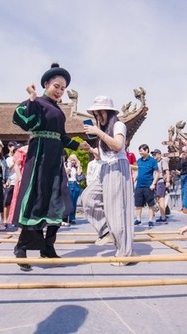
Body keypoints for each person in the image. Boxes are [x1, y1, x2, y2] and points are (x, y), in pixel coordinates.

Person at [11, 63, 88, 271]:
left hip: (55, 158)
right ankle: (21, 248)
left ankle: (48, 246)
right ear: (46, 84)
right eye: (57, 85)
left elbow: (61, 137)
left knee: (58, 200)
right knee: (36, 199)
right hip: (39, 157)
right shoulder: (38, 103)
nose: (60, 90)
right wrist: (32, 99)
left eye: (63, 88)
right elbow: (24, 121)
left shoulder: (58, 110)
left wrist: (78, 145)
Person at [81, 95, 134, 264]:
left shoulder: (118, 125)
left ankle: (124, 254)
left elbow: (118, 146)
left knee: (117, 211)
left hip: (117, 169)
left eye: (99, 113)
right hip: (105, 169)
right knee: (88, 198)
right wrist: (90, 149)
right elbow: (104, 154)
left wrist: (99, 133)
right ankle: (105, 230)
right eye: (95, 114)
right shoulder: (101, 130)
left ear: (108, 112)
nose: (97, 117)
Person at [134, 144, 159, 228]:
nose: (140, 152)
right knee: (138, 204)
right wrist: (134, 180)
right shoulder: (139, 161)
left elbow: (156, 173)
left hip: (148, 185)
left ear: (147, 150)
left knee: (151, 204)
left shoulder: (152, 161)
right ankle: (138, 219)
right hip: (139, 185)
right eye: (139, 151)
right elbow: (137, 172)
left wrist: (153, 184)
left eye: (141, 150)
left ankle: (150, 220)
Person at [7, 144, 28, 228]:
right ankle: (20, 220)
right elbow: (16, 165)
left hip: (34, 176)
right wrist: (20, 178)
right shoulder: (22, 150)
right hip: (23, 175)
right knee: (21, 198)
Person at [151, 149, 171, 223]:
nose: (154, 156)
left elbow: (167, 171)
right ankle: (161, 215)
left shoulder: (163, 161)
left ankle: (163, 217)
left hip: (160, 181)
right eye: (153, 154)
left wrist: (168, 181)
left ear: (159, 154)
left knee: (161, 199)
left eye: (155, 154)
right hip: (154, 182)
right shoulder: (154, 162)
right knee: (158, 200)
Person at [2, 141, 18, 229]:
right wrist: (15, 161)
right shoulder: (8, 158)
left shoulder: (23, 158)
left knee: (16, 202)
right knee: (7, 202)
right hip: (10, 182)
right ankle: (5, 220)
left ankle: (14, 219)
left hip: (18, 182)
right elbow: (8, 169)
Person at [65, 153, 83, 225]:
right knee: (68, 202)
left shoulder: (76, 167)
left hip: (76, 184)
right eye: (71, 160)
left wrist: (78, 165)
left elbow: (79, 175)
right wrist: (69, 165)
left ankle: (72, 218)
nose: (73, 162)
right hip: (69, 184)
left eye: (74, 160)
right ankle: (66, 217)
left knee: (74, 202)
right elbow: (67, 173)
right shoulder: (66, 166)